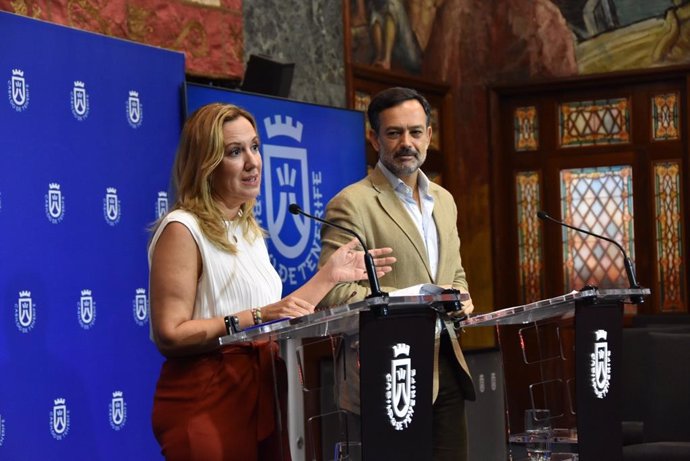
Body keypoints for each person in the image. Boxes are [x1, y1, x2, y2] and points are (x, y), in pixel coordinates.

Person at [147, 102, 395, 461]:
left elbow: (277, 312)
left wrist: (330, 276)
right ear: (206, 163)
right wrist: (256, 317)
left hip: (264, 387)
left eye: (255, 147)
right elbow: (171, 333)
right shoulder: (183, 230)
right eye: (235, 152)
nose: (252, 162)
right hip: (208, 396)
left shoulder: (247, 230)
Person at [317, 87, 476, 461]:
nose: (407, 142)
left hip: (447, 365)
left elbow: (456, 274)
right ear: (374, 138)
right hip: (387, 370)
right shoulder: (351, 204)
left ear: (429, 135)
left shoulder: (445, 200)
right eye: (394, 133)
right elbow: (333, 294)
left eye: (415, 132)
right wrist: (416, 299)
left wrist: (460, 298)